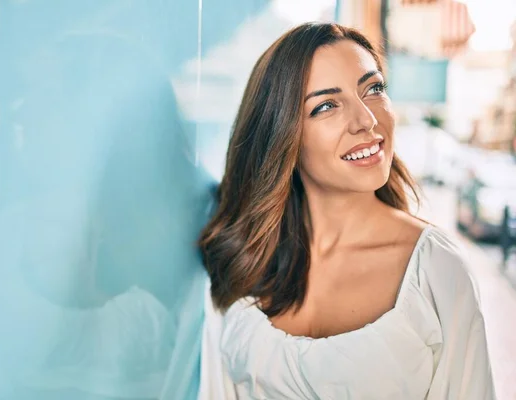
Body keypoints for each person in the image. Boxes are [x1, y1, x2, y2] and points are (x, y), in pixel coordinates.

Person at [198, 23, 495, 399]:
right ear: (281, 133)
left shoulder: (434, 269)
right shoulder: (247, 255)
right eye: (326, 106)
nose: (367, 121)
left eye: (373, 89)